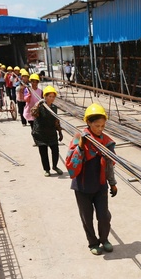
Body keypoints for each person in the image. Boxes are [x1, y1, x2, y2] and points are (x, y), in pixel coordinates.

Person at [65, 103, 118, 256]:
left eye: (102, 126)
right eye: (96, 125)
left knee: (104, 216)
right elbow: (71, 166)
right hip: (82, 187)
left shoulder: (107, 143)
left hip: (100, 185)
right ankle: (93, 243)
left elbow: (109, 165)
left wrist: (112, 184)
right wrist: (81, 147)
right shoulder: (79, 139)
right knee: (87, 217)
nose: (100, 129)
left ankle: (104, 239)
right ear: (88, 122)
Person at [31, 85, 64, 176]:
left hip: (51, 133)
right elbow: (33, 113)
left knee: (55, 151)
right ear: (45, 96)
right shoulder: (40, 106)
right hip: (40, 133)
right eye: (50, 96)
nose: (52, 98)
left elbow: (56, 121)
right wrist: (38, 103)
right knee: (43, 153)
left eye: (53, 97)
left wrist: (60, 132)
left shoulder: (54, 108)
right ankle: (47, 169)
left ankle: (55, 166)